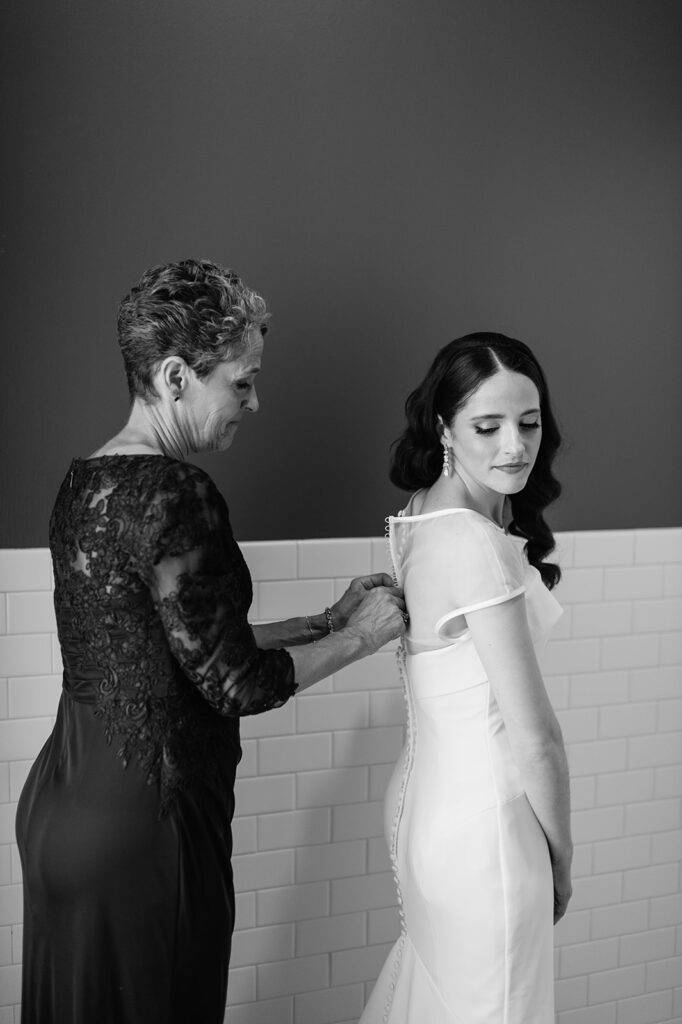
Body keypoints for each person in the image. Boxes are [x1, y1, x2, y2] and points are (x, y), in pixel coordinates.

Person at [15, 258, 406, 1024]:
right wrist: (365, 639)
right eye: (241, 381)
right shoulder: (177, 491)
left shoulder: (81, 484)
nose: (254, 403)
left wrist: (325, 621)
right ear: (173, 376)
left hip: (62, 815)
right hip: (147, 834)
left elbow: (167, 651)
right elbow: (237, 685)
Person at [359, 333, 572, 1024]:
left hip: (427, 810)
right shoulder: (473, 541)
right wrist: (561, 859)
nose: (514, 445)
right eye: (488, 426)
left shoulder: (422, 513)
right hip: (489, 837)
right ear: (444, 428)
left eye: (529, 422)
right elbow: (536, 737)